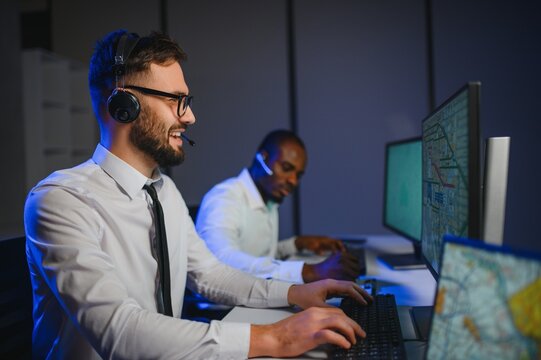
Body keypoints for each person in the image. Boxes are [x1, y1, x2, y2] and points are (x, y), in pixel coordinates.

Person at [24, 29, 372, 359]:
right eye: (176, 100)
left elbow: (209, 275)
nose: (190, 116)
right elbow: (119, 330)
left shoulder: (165, 191)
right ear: (123, 105)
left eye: (186, 100)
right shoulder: (60, 201)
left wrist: (295, 292)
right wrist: (275, 337)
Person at [196, 130, 362, 283]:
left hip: (255, 296)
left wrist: (297, 244)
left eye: (298, 175)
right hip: (223, 310)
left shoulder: (268, 199)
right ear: (263, 158)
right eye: (286, 168)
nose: (293, 181)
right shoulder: (224, 198)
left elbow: (258, 257)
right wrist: (308, 271)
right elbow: (222, 260)